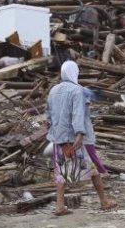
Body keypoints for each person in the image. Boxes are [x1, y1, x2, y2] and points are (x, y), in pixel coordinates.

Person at [47, 60, 113, 215]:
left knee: (62, 171)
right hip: (75, 139)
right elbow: (78, 114)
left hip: (61, 140)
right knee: (93, 169)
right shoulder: (77, 90)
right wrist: (80, 134)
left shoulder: (53, 91)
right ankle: (104, 201)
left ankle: (60, 206)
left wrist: (56, 137)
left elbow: (50, 115)